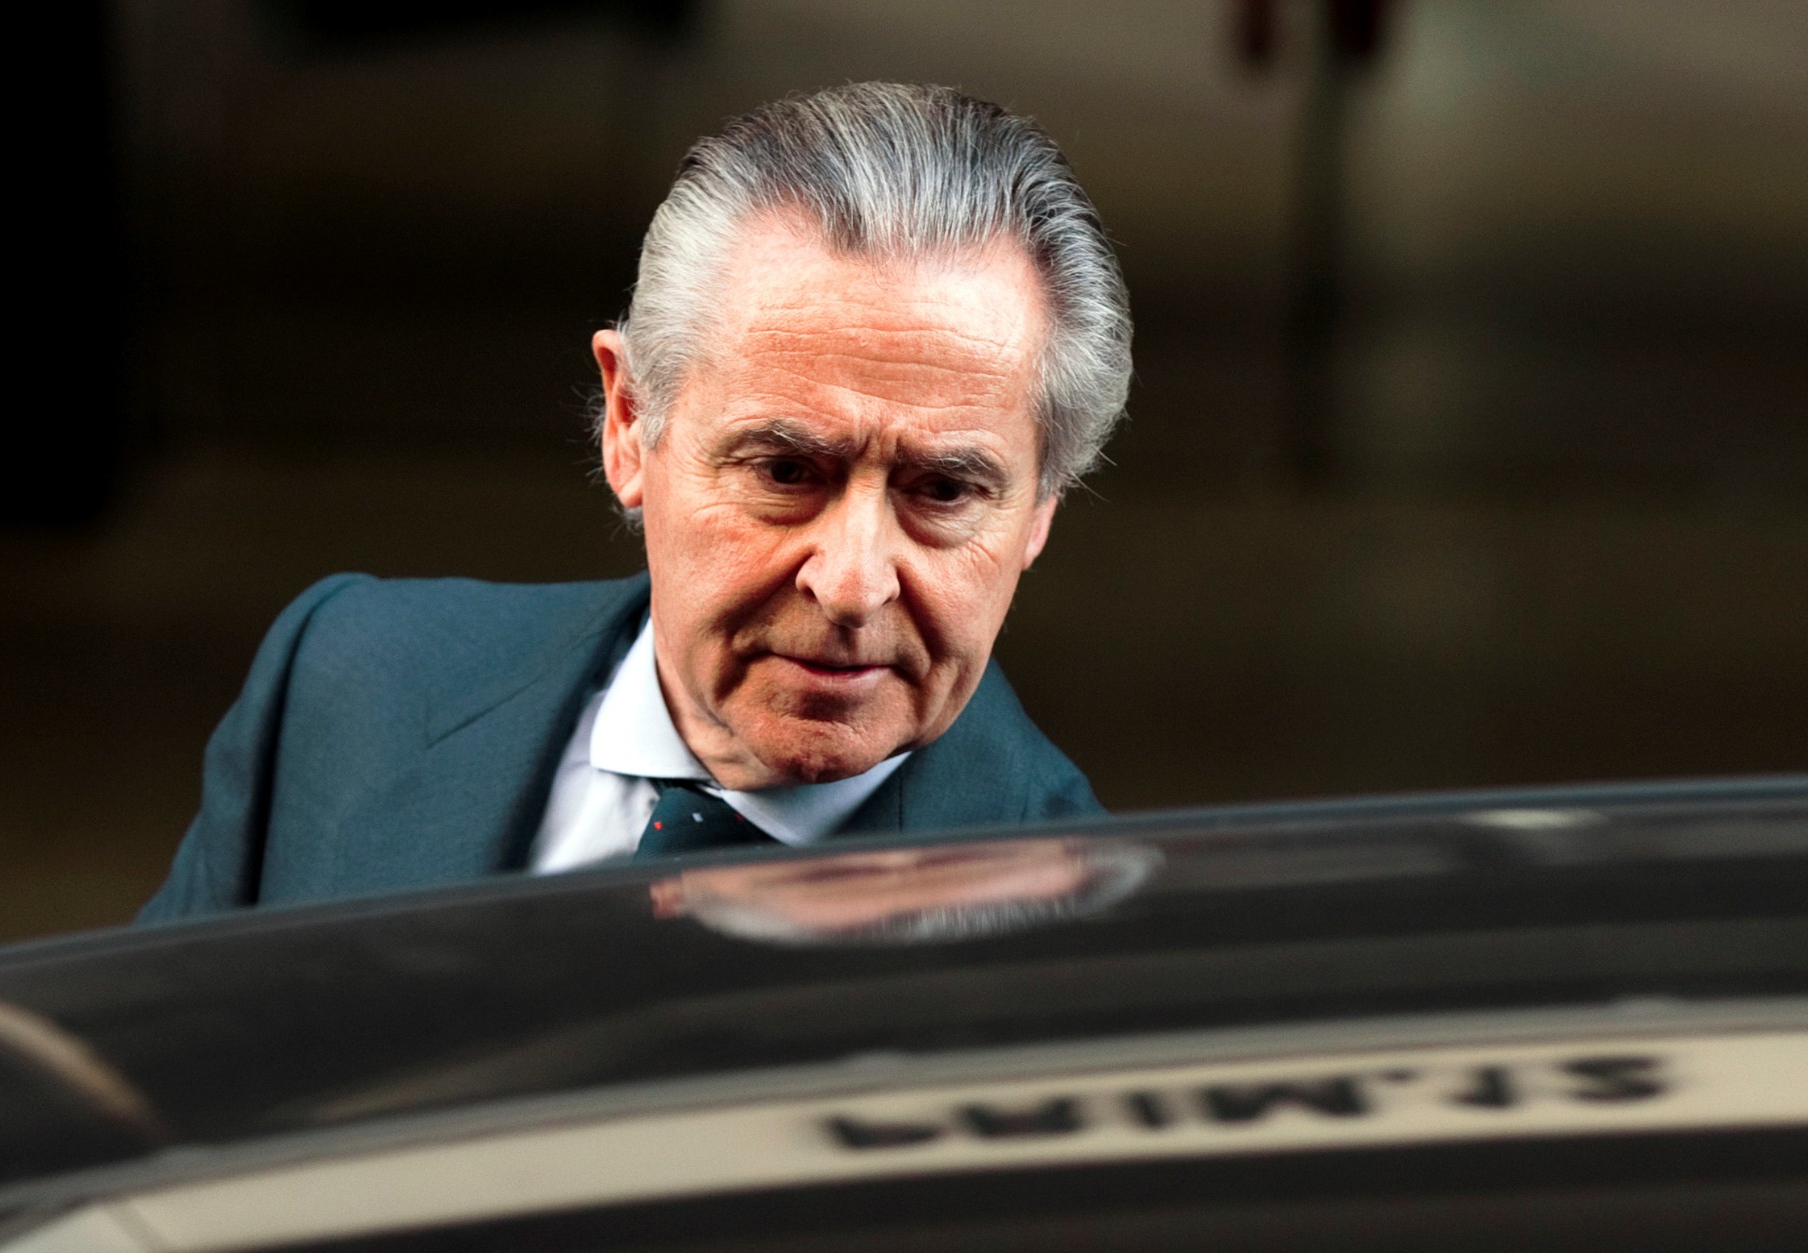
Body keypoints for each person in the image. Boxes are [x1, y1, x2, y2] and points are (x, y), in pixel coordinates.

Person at [139, 82, 1132, 920]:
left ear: (1040, 508)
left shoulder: (1085, 959)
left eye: (944, 490)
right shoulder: (344, 687)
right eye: (785, 473)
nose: (851, 584)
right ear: (627, 423)